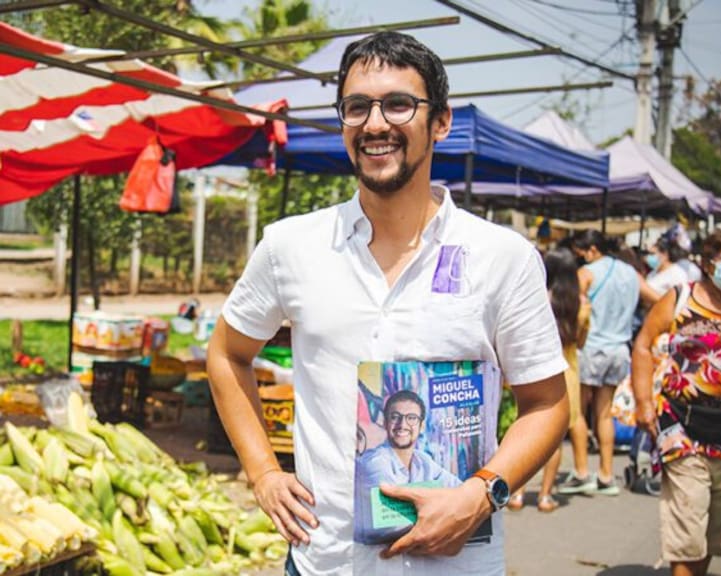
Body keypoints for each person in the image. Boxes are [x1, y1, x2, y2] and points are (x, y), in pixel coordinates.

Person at [207, 31, 569, 576]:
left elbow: (547, 403)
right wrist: (262, 472)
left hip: (456, 568)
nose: (375, 124)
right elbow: (227, 353)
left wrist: (480, 494)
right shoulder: (291, 246)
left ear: (440, 122)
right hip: (323, 562)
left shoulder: (503, 257)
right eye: (357, 107)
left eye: (398, 104)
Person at [632, 228, 721, 576]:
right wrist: (645, 402)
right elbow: (644, 344)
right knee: (687, 524)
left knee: (714, 533)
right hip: (682, 428)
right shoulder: (680, 298)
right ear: (708, 264)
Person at [508, 248, 589, 512]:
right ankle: (545, 495)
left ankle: (517, 493)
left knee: (524, 429)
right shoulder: (582, 306)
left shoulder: (536, 300)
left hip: (534, 371)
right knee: (554, 436)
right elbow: (581, 340)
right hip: (568, 370)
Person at [560, 229, 639, 496]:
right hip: (620, 349)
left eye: (580, 253)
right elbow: (656, 297)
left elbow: (573, 310)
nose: (579, 258)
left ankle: (582, 472)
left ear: (592, 249)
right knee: (605, 413)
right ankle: (606, 475)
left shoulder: (587, 274)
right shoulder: (630, 272)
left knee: (577, 413)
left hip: (590, 349)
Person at [354, 391, 461, 544]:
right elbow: (393, 522)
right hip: (372, 557)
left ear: (422, 426)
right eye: (395, 417)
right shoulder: (373, 463)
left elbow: (461, 491)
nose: (402, 425)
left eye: (411, 418)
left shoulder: (423, 461)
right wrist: (440, 499)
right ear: (385, 423)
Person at [639, 231, 689, 306]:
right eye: (648, 254)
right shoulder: (653, 273)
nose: (648, 257)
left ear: (665, 254)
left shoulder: (677, 273)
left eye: (652, 254)